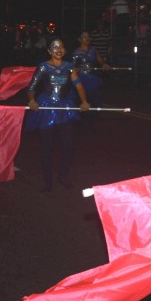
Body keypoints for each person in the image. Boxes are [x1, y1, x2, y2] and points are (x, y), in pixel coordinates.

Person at [25, 39, 90, 192]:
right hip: (46, 108)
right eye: (55, 47)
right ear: (49, 51)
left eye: (61, 46)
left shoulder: (69, 67)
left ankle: (63, 176)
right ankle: (47, 181)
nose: (58, 49)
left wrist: (84, 101)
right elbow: (31, 87)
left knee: (69, 145)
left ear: (65, 50)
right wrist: (32, 101)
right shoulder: (43, 67)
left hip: (64, 109)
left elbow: (79, 86)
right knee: (47, 147)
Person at [71, 31, 111, 108]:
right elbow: (72, 67)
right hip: (81, 78)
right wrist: (76, 69)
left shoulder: (93, 50)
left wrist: (104, 65)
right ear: (80, 39)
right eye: (84, 37)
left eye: (88, 37)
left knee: (96, 101)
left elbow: (101, 61)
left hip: (92, 78)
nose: (87, 38)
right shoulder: (76, 52)